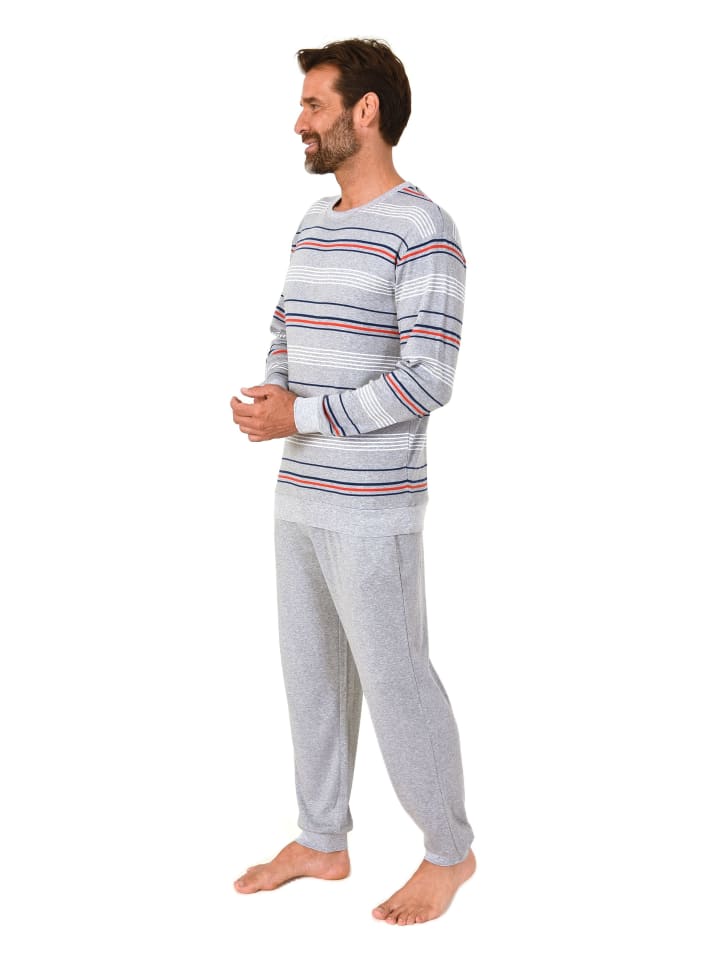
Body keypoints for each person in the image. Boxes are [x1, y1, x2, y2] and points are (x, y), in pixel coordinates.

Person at [230, 38, 475, 925]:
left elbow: (427, 379)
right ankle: (322, 839)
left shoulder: (424, 230)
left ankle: (449, 851)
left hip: (373, 505)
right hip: (300, 492)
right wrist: (274, 395)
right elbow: (285, 322)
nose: (299, 121)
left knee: (396, 679)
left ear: (364, 112)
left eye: (314, 104)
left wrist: (300, 414)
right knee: (311, 675)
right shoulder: (315, 220)